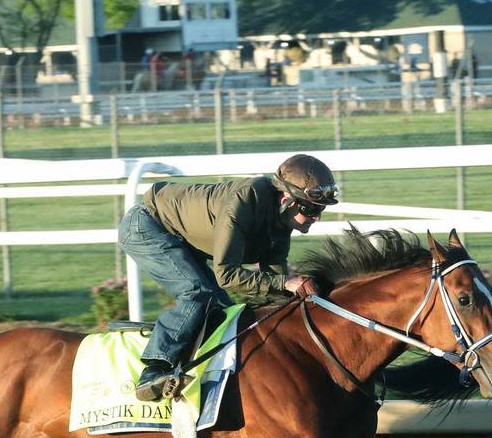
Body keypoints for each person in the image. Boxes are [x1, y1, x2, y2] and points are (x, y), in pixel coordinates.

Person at [118, 153, 338, 402]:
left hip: (183, 239)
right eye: (311, 209)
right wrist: (286, 283)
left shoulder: (280, 223)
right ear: (287, 200)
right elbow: (227, 275)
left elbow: (274, 287)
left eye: (320, 209)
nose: (317, 217)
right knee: (197, 293)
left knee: (224, 312)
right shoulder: (243, 203)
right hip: (147, 226)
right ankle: (154, 371)